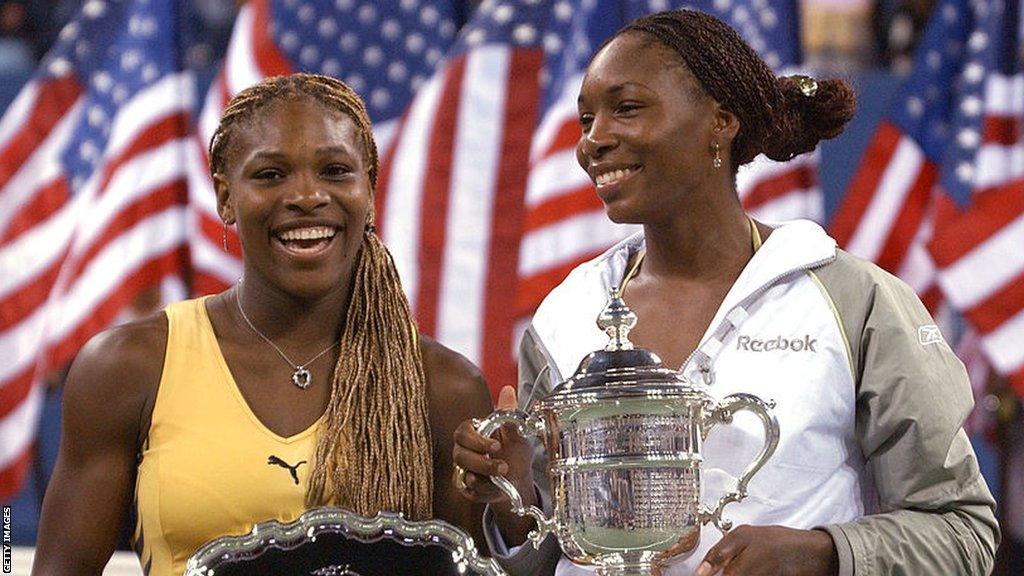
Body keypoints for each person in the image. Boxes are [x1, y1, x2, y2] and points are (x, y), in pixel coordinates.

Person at [452, 9, 999, 576]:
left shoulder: (855, 300)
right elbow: (546, 553)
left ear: (721, 121)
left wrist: (821, 552)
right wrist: (514, 497)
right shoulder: (564, 315)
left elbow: (962, 532)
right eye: (587, 119)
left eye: (628, 108)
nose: (593, 142)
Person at [31, 73, 494, 576]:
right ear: (225, 198)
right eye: (271, 175)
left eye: (335, 171)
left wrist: (510, 503)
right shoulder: (129, 367)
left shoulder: (445, 386)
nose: (306, 196)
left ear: (370, 190)